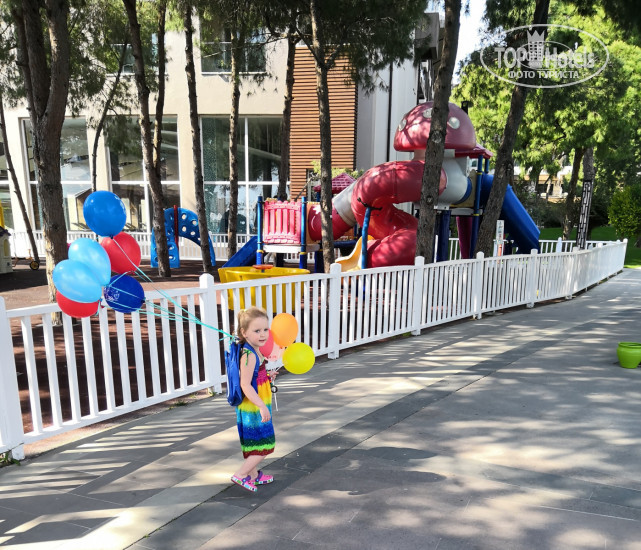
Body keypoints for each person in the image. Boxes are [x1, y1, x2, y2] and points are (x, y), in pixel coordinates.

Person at [231, 307, 277, 492]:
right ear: (244, 332)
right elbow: (245, 384)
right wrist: (261, 406)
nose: (263, 334)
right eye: (257, 331)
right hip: (253, 406)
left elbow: (254, 377)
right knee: (265, 444)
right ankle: (241, 474)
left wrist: (267, 375)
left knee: (254, 442)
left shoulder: (255, 350)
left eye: (265, 329)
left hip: (257, 403)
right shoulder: (249, 355)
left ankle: (253, 475)